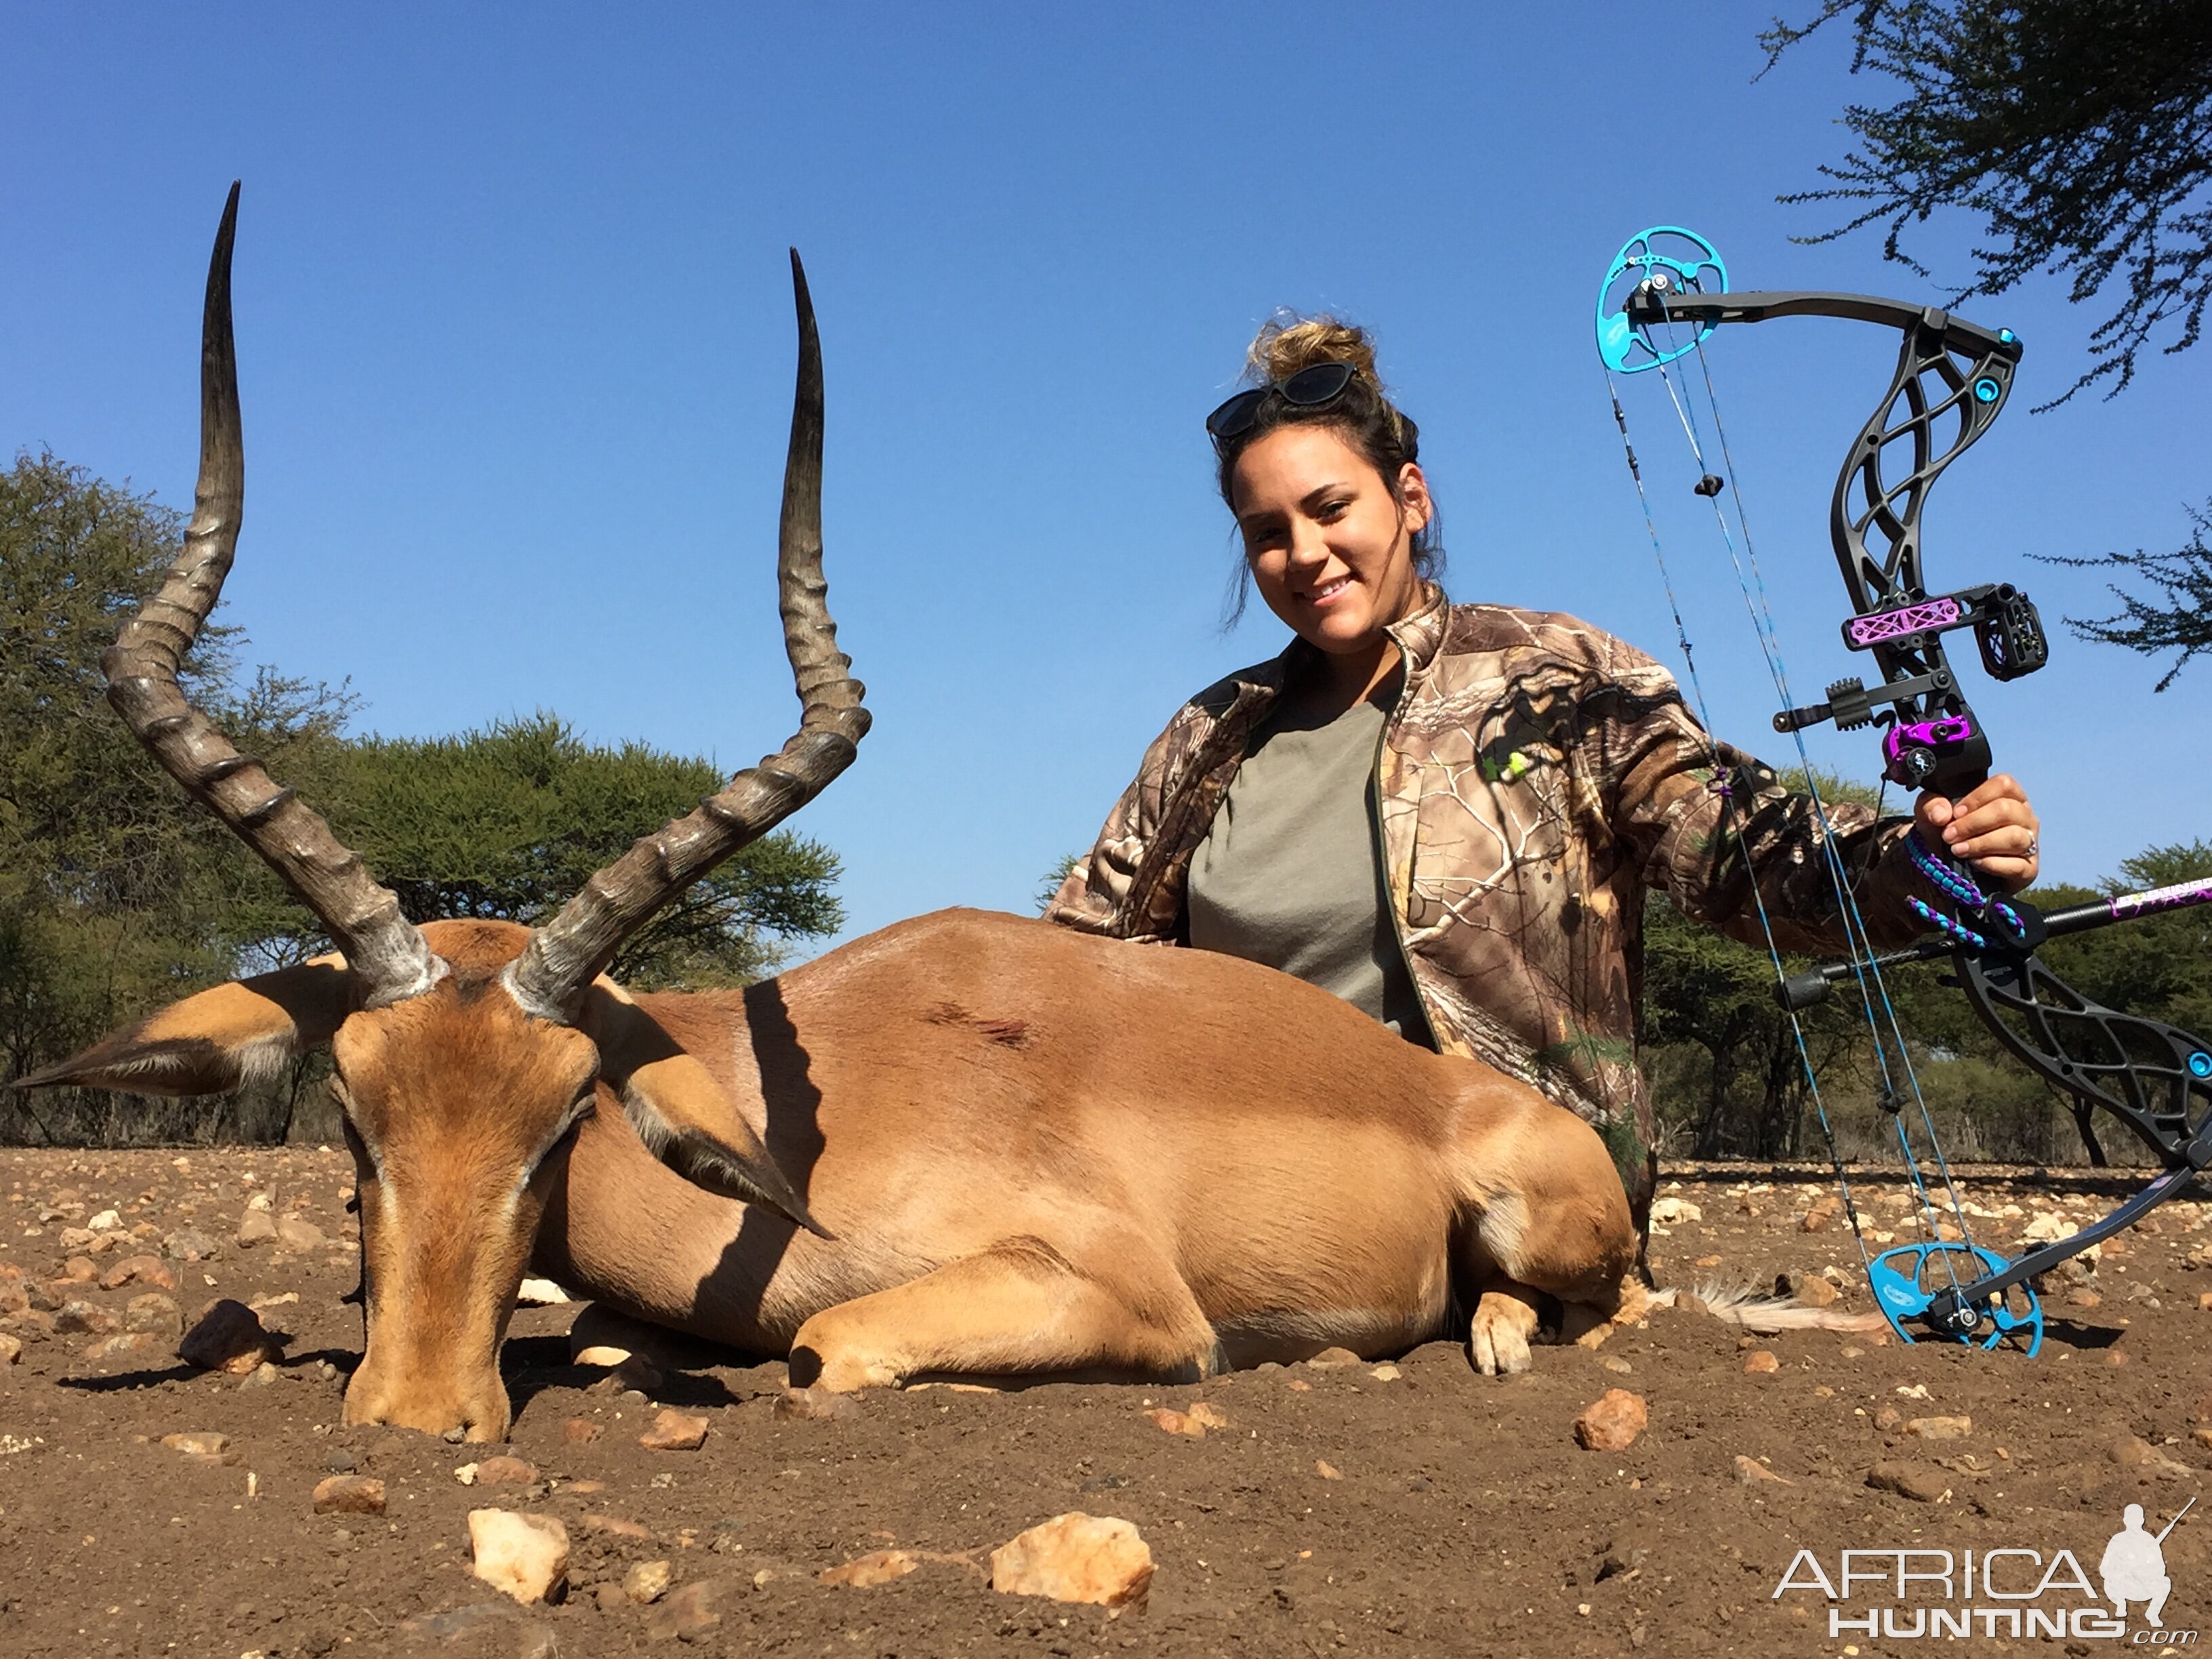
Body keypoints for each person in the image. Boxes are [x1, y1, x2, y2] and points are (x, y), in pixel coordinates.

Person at [1044, 314, 2042, 1222]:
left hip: (1503, 1208)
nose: (1304, 553)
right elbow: (1074, 960)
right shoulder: (1212, 731)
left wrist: (1922, 857)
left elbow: (1744, 858)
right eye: (1268, 534)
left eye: (1329, 508)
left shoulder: (1555, 677)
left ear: (1411, 498)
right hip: (1223, 1194)